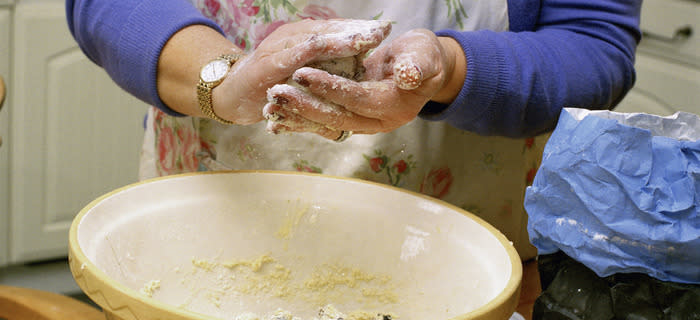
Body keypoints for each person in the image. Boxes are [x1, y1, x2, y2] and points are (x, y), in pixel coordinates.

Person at [66, 0, 641, 260]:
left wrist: (446, 68)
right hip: (210, 218)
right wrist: (221, 78)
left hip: (447, 256)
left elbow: (594, 43)